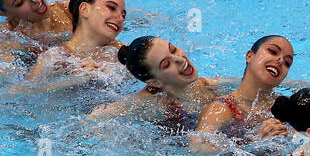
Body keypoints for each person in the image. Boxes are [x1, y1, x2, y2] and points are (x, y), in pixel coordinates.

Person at [188, 35, 294, 152]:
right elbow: (196, 147)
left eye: (287, 63)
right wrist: (255, 144)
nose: (280, 60)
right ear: (250, 56)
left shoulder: (289, 108)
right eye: (273, 52)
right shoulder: (222, 109)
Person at [88, 35, 222, 125]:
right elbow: (92, 120)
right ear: (155, 82)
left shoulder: (207, 84)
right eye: (166, 64)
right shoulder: (153, 104)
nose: (180, 59)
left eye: (173, 50)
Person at [20, 0, 126, 87]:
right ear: (84, 9)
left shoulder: (121, 56)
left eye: (123, 15)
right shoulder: (54, 57)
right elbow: (21, 93)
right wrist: (74, 80)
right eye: (111, 7)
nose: (120, 18)